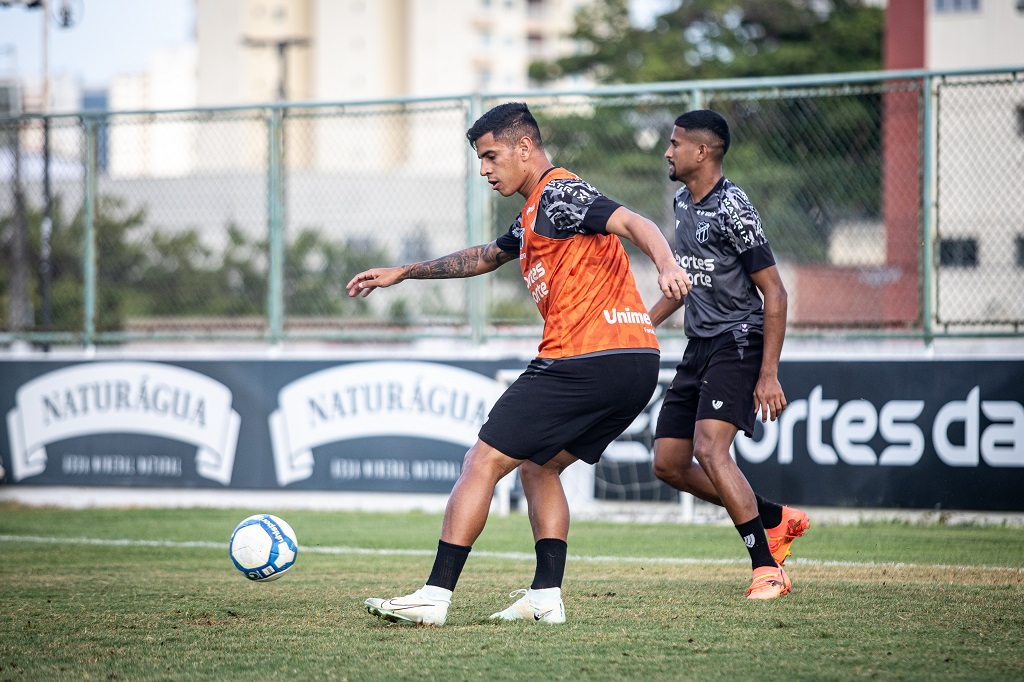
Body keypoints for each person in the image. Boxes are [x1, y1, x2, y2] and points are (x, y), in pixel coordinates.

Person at [347, 102, 690, 626]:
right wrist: (406, 271)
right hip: (636, 362)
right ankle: (545, 598)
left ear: (524, 148)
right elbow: (486, 256)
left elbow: (632, 221)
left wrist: (665, 263)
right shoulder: (534, 214)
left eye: (490, 156)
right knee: (540, 466)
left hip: (583, 357)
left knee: (480, 463)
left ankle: (434, 596)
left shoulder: (558, 191)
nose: (485, 169)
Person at [647, 109, 808, 600]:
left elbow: (775, 294)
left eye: (675, 144)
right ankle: (774, 517)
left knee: (710, 449)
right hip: (700, 345)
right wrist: (638, 325)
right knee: (669, 463)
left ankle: (767, 569)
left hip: (739, 341)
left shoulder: (733, 207)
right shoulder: (681, 201)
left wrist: (769, 374)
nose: (668, 151)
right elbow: (684, 284)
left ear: (702, 152)